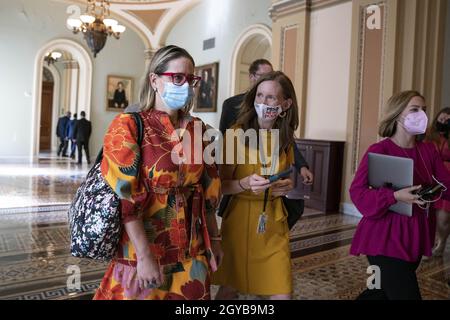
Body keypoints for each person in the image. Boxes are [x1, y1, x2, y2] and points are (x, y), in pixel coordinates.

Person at [93, 45, 223, 300]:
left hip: (191, 252)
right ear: (154, 79)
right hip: (144, 252)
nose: (185, 86)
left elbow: (208, 192)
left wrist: (215, 240)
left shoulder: (198, 129)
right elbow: (125, 200)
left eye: (190, 79)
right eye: (177, 78)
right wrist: (145, 257)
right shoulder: (128, 125)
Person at [350, 91, 450, 300]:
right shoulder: (379, 150)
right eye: (414, 109)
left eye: (424, 110)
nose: (421, 114)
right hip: (383, 238)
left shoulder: (428, 151)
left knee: (378, 293)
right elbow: (357, 193)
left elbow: (446, 184)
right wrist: (394, 196)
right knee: (404, 293)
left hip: (414, 236)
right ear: (397, 115)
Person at [212, 71, 301, 300]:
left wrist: (286, 185)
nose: (263, 102)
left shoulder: (286, 137)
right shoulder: (235, 134)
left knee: (283, 292)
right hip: (240, 221)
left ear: (285, 104)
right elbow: (220, 185)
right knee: (230, 288)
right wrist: (244, 183)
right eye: (260, 95)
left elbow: (286, 174)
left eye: (271, 97)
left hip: (273, 223)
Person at [219, 59, 273, 134]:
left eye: (270, 76)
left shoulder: (274, 104)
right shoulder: (231, 104)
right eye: (263, 76)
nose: (268, 80)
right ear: (251, 77)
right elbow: (223, 138)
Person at [425, 108, 450, 256]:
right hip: (430, 175)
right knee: (428, 213)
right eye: (441, 119)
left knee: (444, 217)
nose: (444, 122)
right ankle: (429, 243)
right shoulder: (428, 133)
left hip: (447, 177)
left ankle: (441, 243)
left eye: (447, 121)